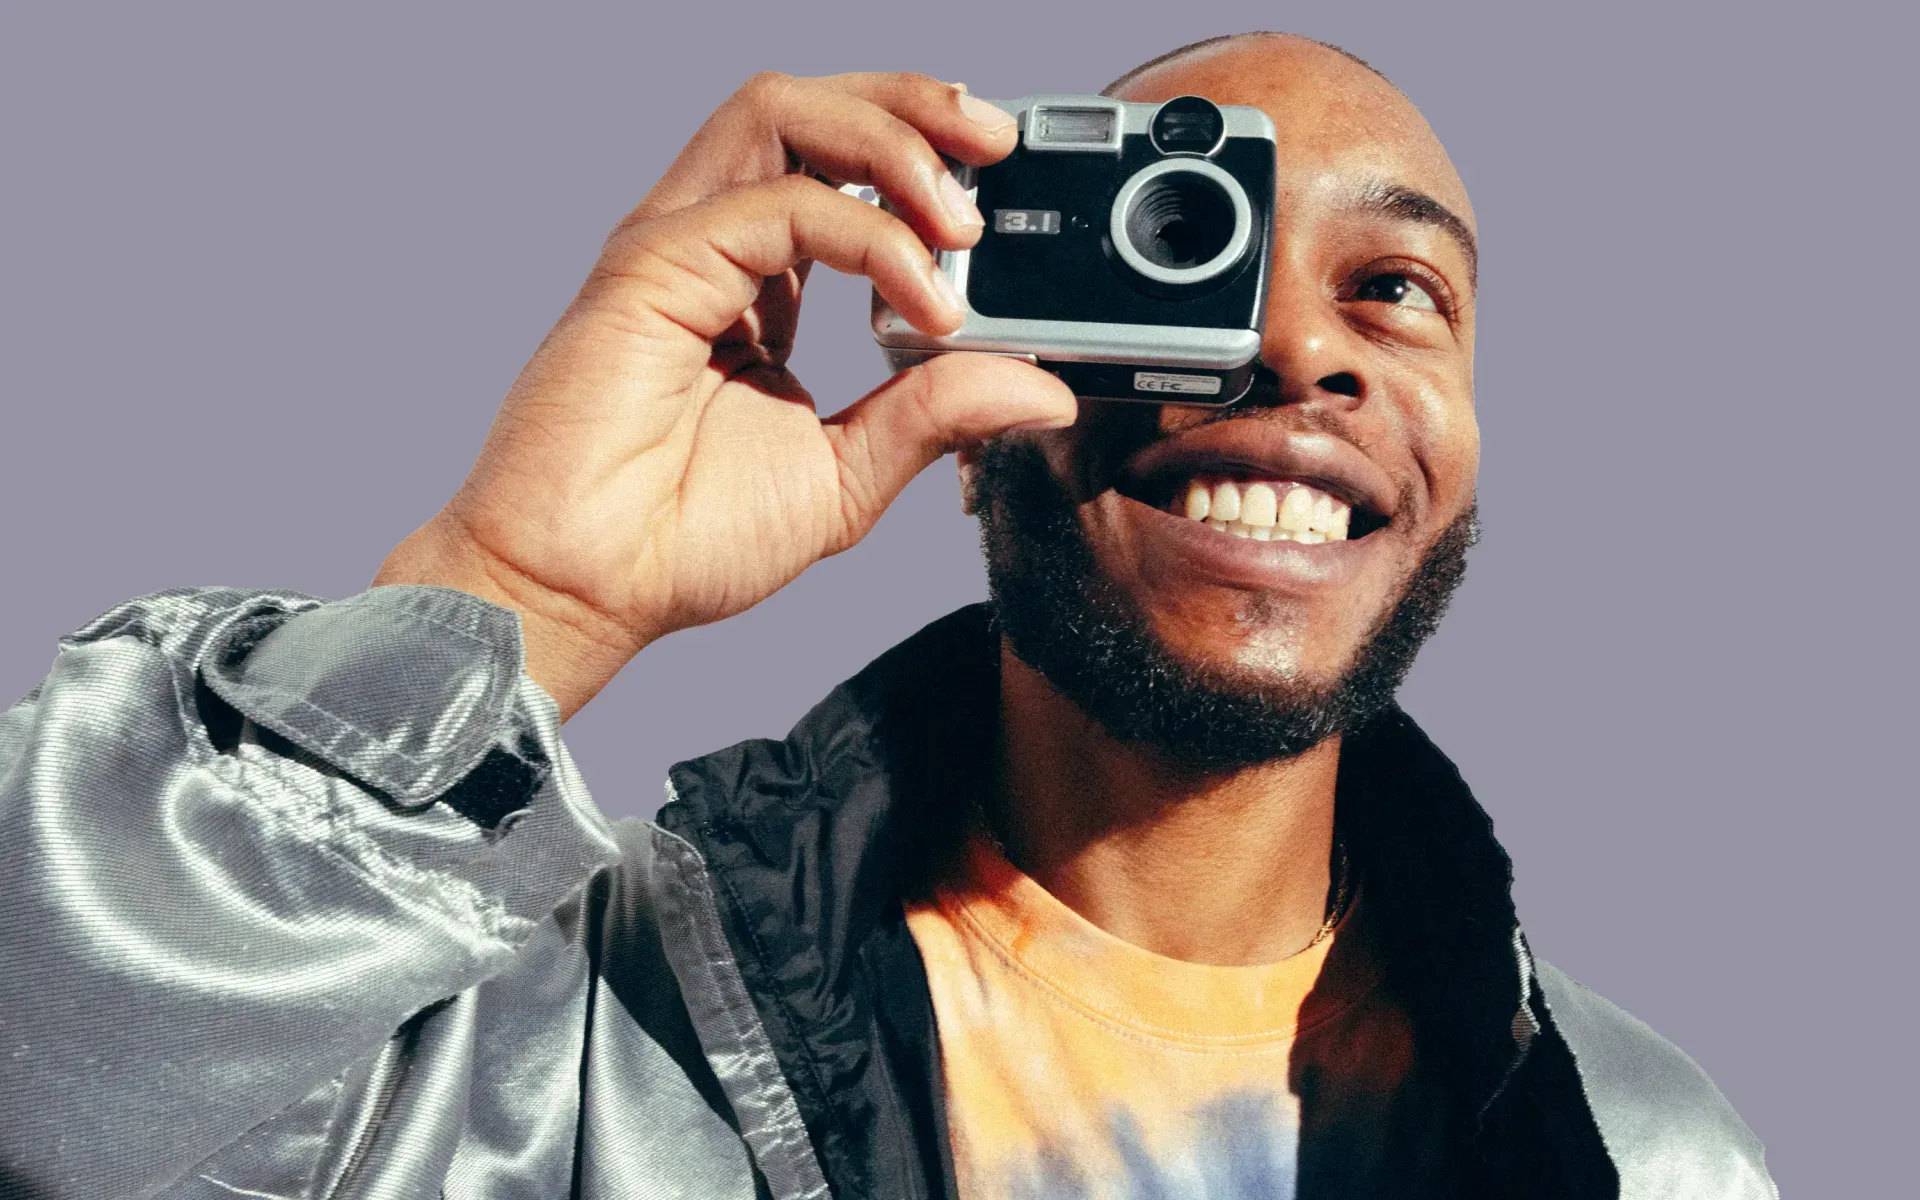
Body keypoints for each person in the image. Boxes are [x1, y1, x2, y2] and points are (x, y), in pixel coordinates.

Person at [0, 32, 1774, 1200]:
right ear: (966, 363)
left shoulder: (1647, 1149)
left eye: (1395, 290)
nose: (1295, 351)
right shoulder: (530, 1046)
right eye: (1177, 250)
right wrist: (517, 588)